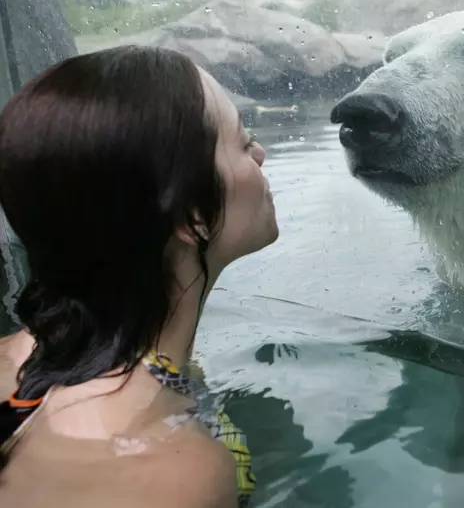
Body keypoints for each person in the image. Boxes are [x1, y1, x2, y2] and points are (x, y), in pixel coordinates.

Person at [0, 45, 279, 507]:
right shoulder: (172, 471)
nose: (262, 154)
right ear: (194, 217)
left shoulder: (21, 357)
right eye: (243, 142)